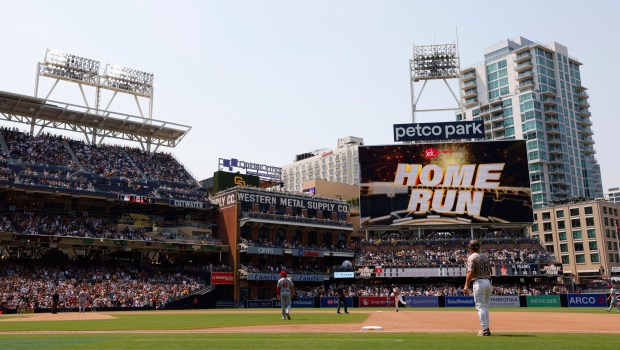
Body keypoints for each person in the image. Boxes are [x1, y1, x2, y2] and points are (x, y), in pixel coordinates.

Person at [463, 239, 492, 336]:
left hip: (479, 282)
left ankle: (485, 330)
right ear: (479, 247)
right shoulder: (485, 256)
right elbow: (490, 270)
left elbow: (470, 272)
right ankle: (486, 328)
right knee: (485, 307)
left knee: (480, 307)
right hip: (488, 281)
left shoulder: (471, 257)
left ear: (469, 248)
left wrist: (466, 285)